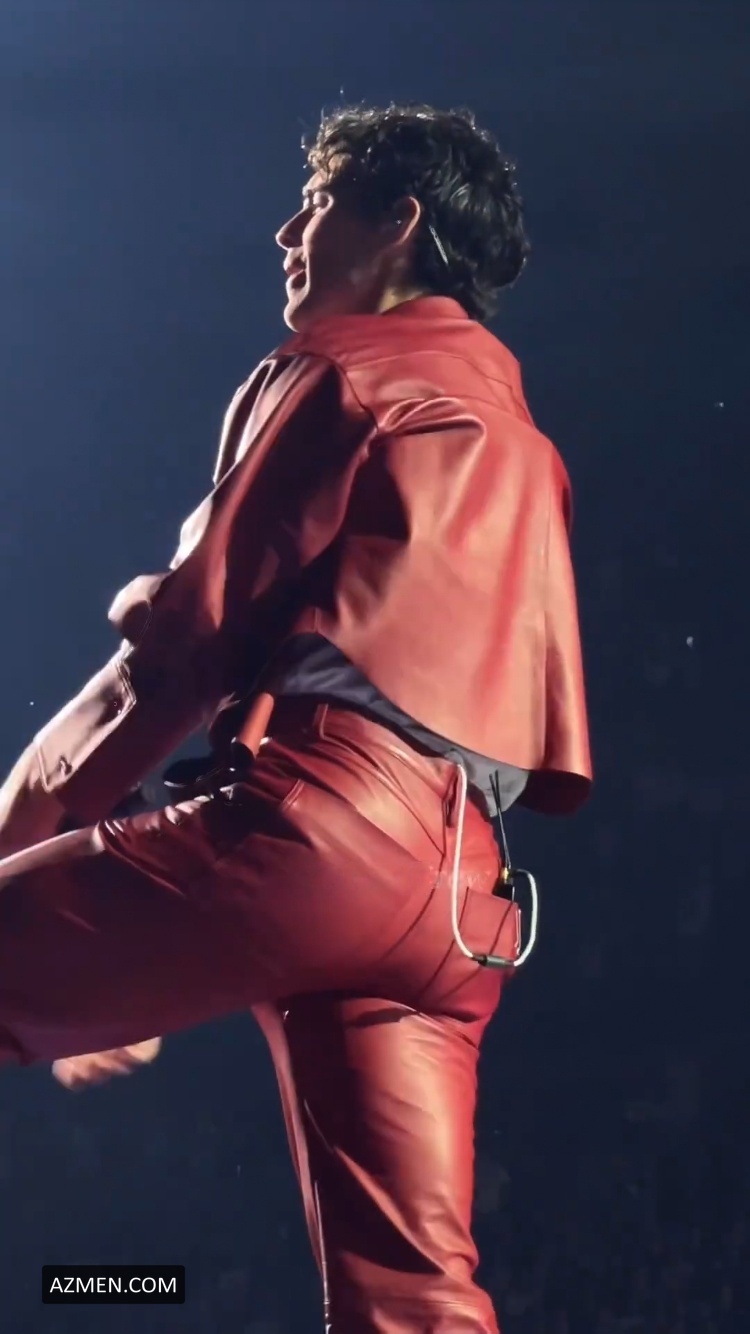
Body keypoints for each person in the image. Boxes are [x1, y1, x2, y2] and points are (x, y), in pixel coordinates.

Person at [0, 103, 592, 1333]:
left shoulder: (340, 368)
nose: (285, 232)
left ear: (398, 222)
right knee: (415, 1300)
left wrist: (21, 845)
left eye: (315, 203)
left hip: (328, 834)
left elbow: (164, 673)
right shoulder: (523, 439)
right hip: (464, 912)